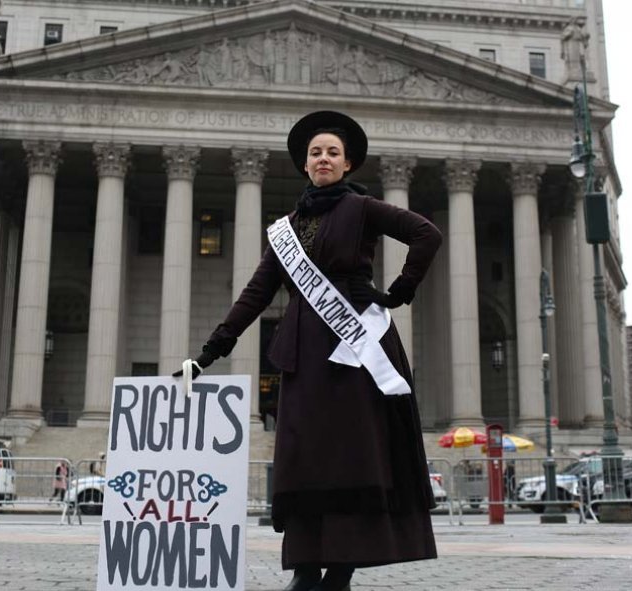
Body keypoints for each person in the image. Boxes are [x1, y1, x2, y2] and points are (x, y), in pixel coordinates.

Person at [175, 111, 441, 591]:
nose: (323, 159)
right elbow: (256, 294)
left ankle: (341, 567)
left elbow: (426, 233)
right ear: (305, 164)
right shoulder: (287, 228)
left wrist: (399, 291)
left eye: (332, 153)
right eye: (316, 153)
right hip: (303, 350)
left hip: (354, 349)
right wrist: (210, 351)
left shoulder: (363, 209)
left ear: (348, 163)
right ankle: (303, 565)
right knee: (302, 457)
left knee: (350, 456)